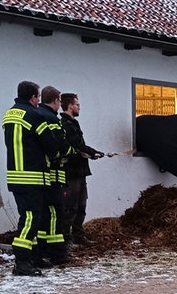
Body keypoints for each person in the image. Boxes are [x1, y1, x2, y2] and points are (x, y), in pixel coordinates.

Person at [2, 81, 72, 276]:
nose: (39, 101)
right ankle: (22, 262)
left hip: (15, 176)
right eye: (38, 98)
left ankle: (33, 258)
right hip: (33, 177)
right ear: (32, 97)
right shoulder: (34, 116)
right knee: (31, 219)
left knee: (30, 217)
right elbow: (52, 147)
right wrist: (61, 153)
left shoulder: (9, 114)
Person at [36, 86, 75, 266]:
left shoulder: (37, 115)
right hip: (53, 175)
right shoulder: (51, 119)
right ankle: (57, 253)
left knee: (45, 214)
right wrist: (71, 151)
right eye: (59, 101)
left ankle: (43, 250)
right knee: (54, 214)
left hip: (42, 175)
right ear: (56, 101)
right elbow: (60, 146)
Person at [60, 93, 104, 247]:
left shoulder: (73, 123)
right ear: (70, 106)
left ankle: (78, 235)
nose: (79, 107)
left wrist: (92, 153)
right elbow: (77, 145)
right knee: (70, 206)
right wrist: (93, 152)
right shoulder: (66, 124)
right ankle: (66, 238)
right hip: (72, 172)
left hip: (80, 171)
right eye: (77, 104)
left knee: (81, 206)